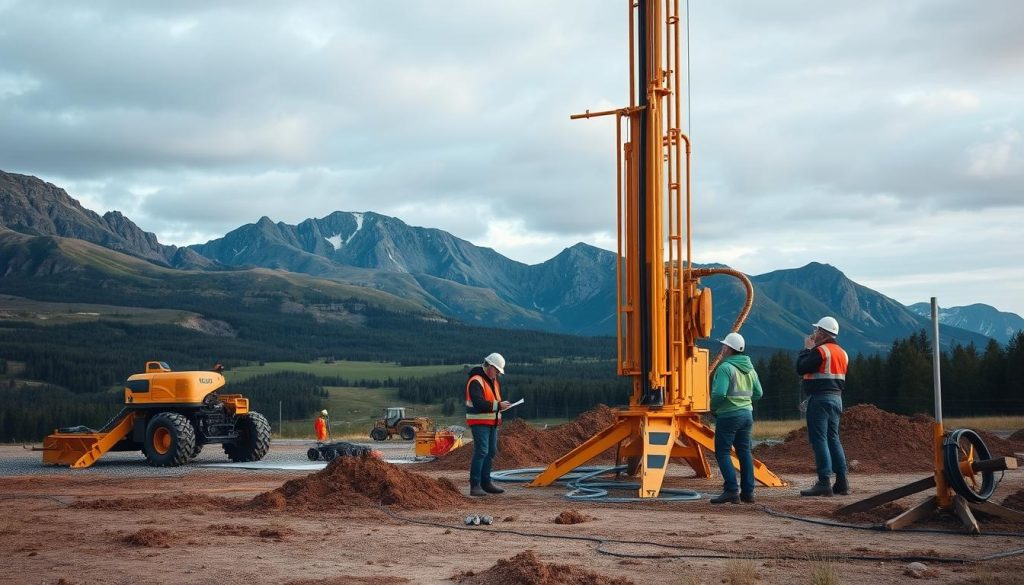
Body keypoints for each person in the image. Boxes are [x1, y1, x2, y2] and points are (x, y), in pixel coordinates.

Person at [797, 316, 850, 497]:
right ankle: (842, 482)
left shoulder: (820, 351)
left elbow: (801, 368)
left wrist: (806, 349)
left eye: (817, 330)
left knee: (819, 439)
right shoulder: (843, 353)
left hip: (820, 399)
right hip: (837, 399)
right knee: (833, 438)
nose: (814, 333)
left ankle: (824, 482)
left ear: (822, 332)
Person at [709, 332, 763, 504]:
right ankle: (748, 493)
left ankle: (731, 490)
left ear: (728, 348)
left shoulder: (725, 368)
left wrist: (714, 408)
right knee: (744, 452)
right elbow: (759, 393)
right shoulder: (750, 369)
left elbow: (718, 394)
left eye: (724, 346)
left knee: (723, 452)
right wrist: (744, 402)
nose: (722, 348)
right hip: (747, 415)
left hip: (729, 416)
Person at [465, 352, 511, 497]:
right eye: (496, 370)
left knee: (491, 451)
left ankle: (486, 483)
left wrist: (500, 406)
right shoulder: (476, 380)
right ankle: (475, 485)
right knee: (482, 451)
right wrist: (498, 406)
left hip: (491, 422)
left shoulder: (493, 381)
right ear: (490, 366)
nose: (497, 374)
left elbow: (493, 401)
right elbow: (479, 403)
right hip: (479, 422)